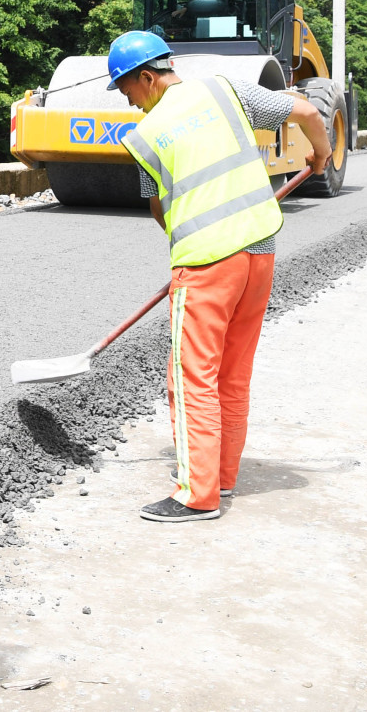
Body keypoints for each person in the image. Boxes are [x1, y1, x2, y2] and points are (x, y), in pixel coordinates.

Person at [106, 30, 332, 524]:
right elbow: (310, 113)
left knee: (191, 379)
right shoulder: (224, 89)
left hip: (207, 263)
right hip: (261, 250)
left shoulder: (144, 137)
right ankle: (222, 478)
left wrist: (190, 246)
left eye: (127, 91)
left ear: (147, 78)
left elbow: (158, 209)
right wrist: (320, 154)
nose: (130, 103)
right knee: (232, 374)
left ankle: (196, 495)